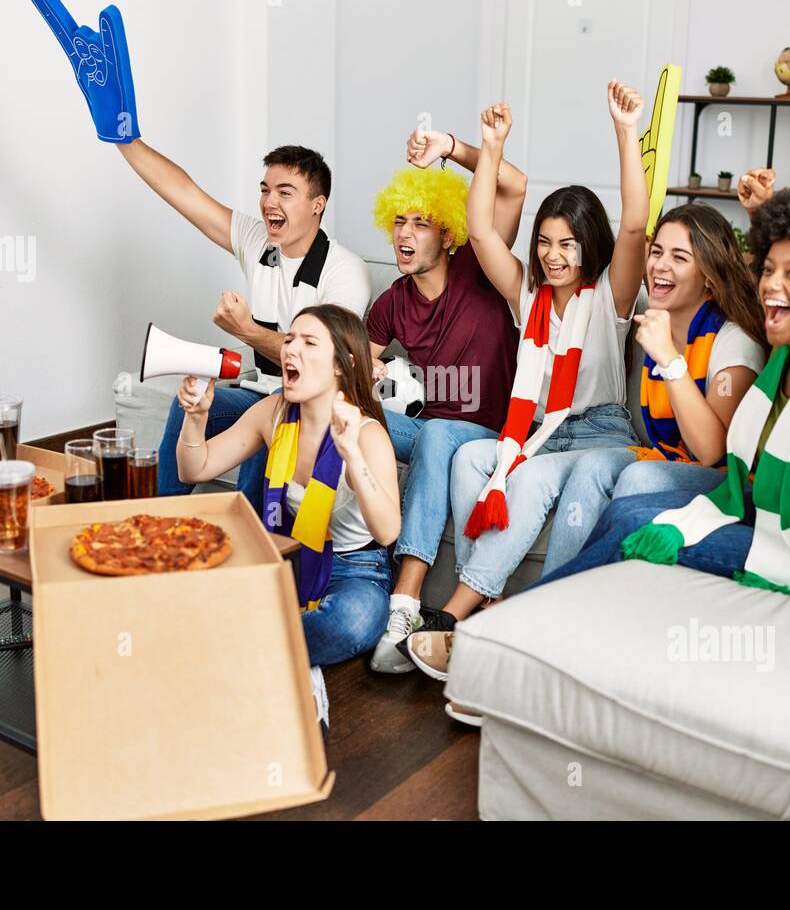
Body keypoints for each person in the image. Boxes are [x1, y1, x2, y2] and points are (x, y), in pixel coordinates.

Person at [399, 82, 651, 702]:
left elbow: (637, 225)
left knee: (532, 481)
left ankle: (457, 612)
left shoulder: (610, 299)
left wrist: (624, 132)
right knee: (469, 457)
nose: (554, 255)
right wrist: (488, 145)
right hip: (533, 434)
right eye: (545, 241)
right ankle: (492, 601)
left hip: (600, 432)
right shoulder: (528, 299)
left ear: (588, 246)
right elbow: (482, 230)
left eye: (568, 243)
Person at [534, 185, 790, 598]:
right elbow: (739, 275)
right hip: (770, 516)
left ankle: (539, 613)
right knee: (627, 509)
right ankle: (565, 614)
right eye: (768, 271)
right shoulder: (787, 357)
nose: (770, 285)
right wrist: (763, 212)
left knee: (634, 522)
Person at [174, 304, 399, 729]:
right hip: (285, 556)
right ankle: (293, 659)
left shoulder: (366, 433)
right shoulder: (274, 412)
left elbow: (388, 533)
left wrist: (351, 453)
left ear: (342, 364)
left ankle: (242, 652)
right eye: (290, 339)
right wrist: (196, 417)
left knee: (352, 625)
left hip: (356, 571)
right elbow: (195, 467)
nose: (290, 349)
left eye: (309, 342)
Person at [117, 139, 370, 507]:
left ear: (318, 205)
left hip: (312, 404)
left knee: (270, 429)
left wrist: (245, 330)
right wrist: (123, 139)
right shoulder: (259, 242)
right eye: (265, 190)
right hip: (262, 393)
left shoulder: (345, 271)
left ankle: (251, 541)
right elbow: (183, 192)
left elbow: (324, 363)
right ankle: (160, 514)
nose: (270, 202)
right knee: (186, 404)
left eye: (285, 192)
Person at [363, 133, 526, 672]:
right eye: (398, 222)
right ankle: (344, 570)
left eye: (420, 222)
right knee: (356, 420)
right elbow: (354, 376)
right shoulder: (391, 302)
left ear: (449, 230)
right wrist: (371, 377)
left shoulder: (479, 268)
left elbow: (513, 184)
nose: (404, 235)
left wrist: (451, 147)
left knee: (435, 433)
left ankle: (405, 605)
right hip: (433, 427)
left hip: (490, 433)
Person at [542, 195, 771, 574]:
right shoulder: (655, 321)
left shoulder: (734, 342)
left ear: (710, 279)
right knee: (593, 465)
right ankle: (556, 589)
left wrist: (670, 360)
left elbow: (712, 452)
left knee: (640, 475)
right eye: (658, 252)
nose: (660, 266)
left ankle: (608, 599)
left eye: (679, 258)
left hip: (731, 482)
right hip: (670, 457)